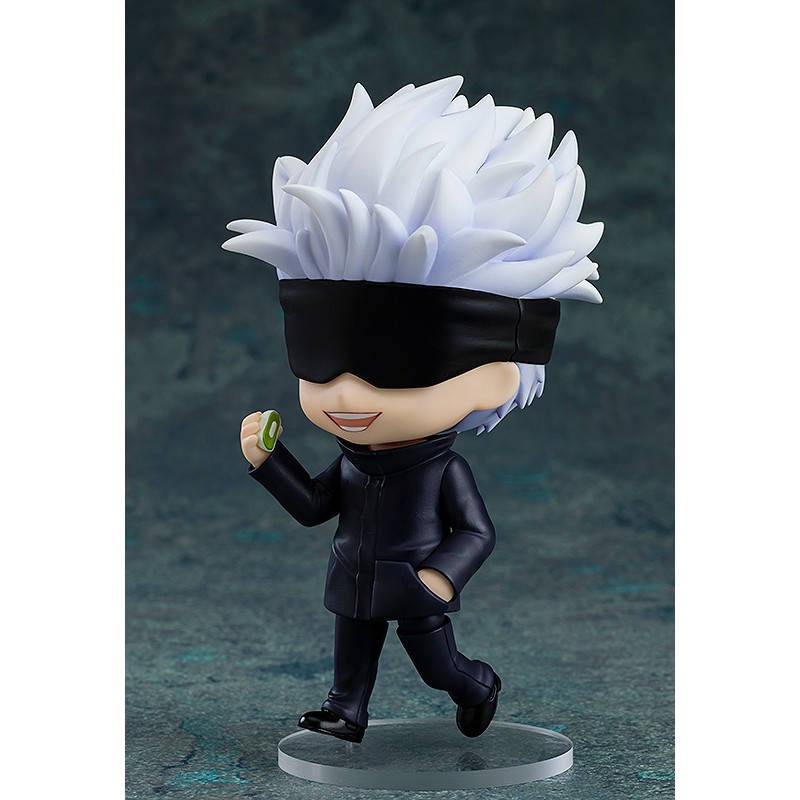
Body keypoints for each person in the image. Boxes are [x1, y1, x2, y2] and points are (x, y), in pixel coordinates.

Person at [224, 76, 603, 743]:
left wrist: (440, 575)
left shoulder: (440, 471)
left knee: (437, 665)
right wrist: (267, 461)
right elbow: (314, 506)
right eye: (317, 358)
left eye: (396, 366)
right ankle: (347, 710)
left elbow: (477, 531)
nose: (346, 394)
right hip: (354, 575)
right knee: (352, 649)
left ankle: (475, 684)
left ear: (495, 377)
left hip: (415, 585)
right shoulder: (353, 462)